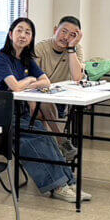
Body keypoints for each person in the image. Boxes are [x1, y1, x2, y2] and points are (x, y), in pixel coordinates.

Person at [0, 17, 88, 203]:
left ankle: (69, 182)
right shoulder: (1, 58)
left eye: (28, 32)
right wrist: (29, 81)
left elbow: (46, 81)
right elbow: (15, 87)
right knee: (33, 140)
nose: (23, 35)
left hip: (20, 112)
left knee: (45, 136)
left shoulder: (26, 59)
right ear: (10, 34)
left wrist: (26, 82)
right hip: (1, 116)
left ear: (32, 37)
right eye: (19, 31)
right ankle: (58, 186)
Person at [34, 16, 85, 158]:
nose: (66, 37)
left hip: (62, 97)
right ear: (55, 29)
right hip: (39, 95)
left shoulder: (75, 49)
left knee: (47, 112)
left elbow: (77, 77)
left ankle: (55, 149)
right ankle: (61, 141)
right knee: (44, 104)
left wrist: (71, 48)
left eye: (72, 35)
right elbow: (32, 76)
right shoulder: (41, 47)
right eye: (64, 31)